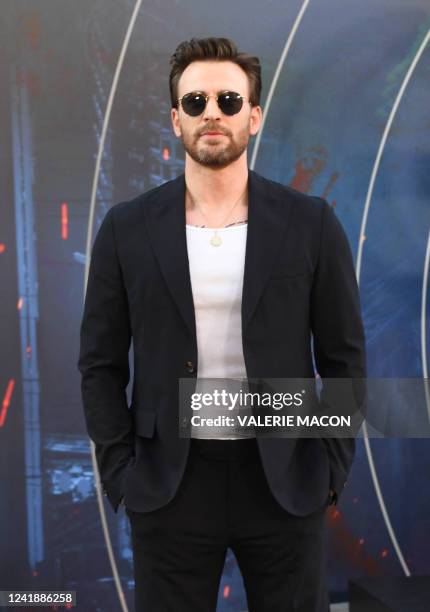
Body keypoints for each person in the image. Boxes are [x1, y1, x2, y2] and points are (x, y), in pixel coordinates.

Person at [78, 36, 366, 612]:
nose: (213, 112)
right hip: (169, 486)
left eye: (229, 101)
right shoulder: (125, 229)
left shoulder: (311, 223)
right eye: (196, 102)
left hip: (285, 480)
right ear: (175, 120)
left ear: (253, 117)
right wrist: (121, 476)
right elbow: (100, 364)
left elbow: (344, 357)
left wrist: (329, 469)